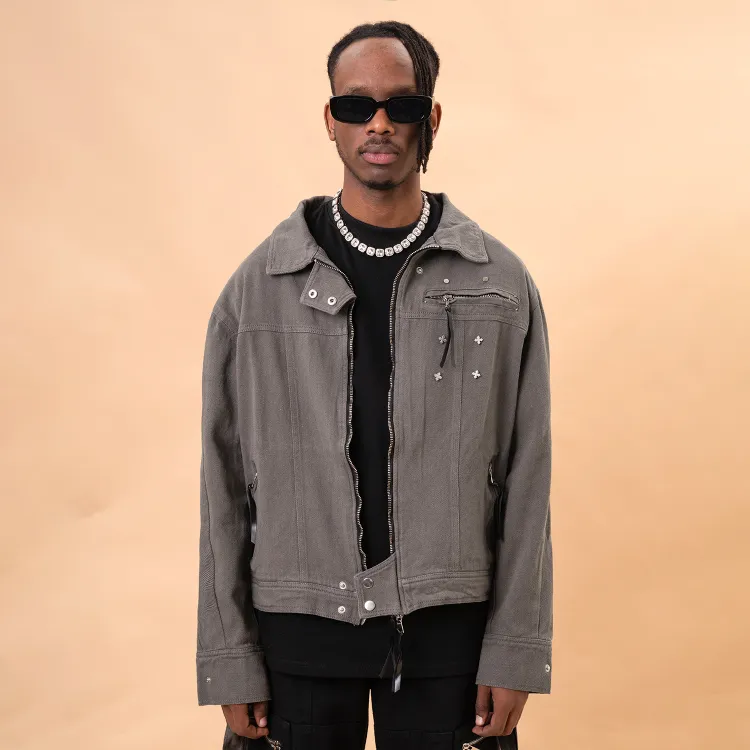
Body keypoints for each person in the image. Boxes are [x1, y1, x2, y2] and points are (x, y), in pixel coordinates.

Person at [196, 20, 553, 750]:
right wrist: (229, 657)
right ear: (331, 120)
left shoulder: (499, 284)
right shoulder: (256, 291)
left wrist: (516, 648)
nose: (379, 124)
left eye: (402, 105)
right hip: (295, 634)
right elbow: (221, 485)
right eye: (357, 106)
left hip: (450, 638)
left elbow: (528, 478)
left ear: (432, 117)